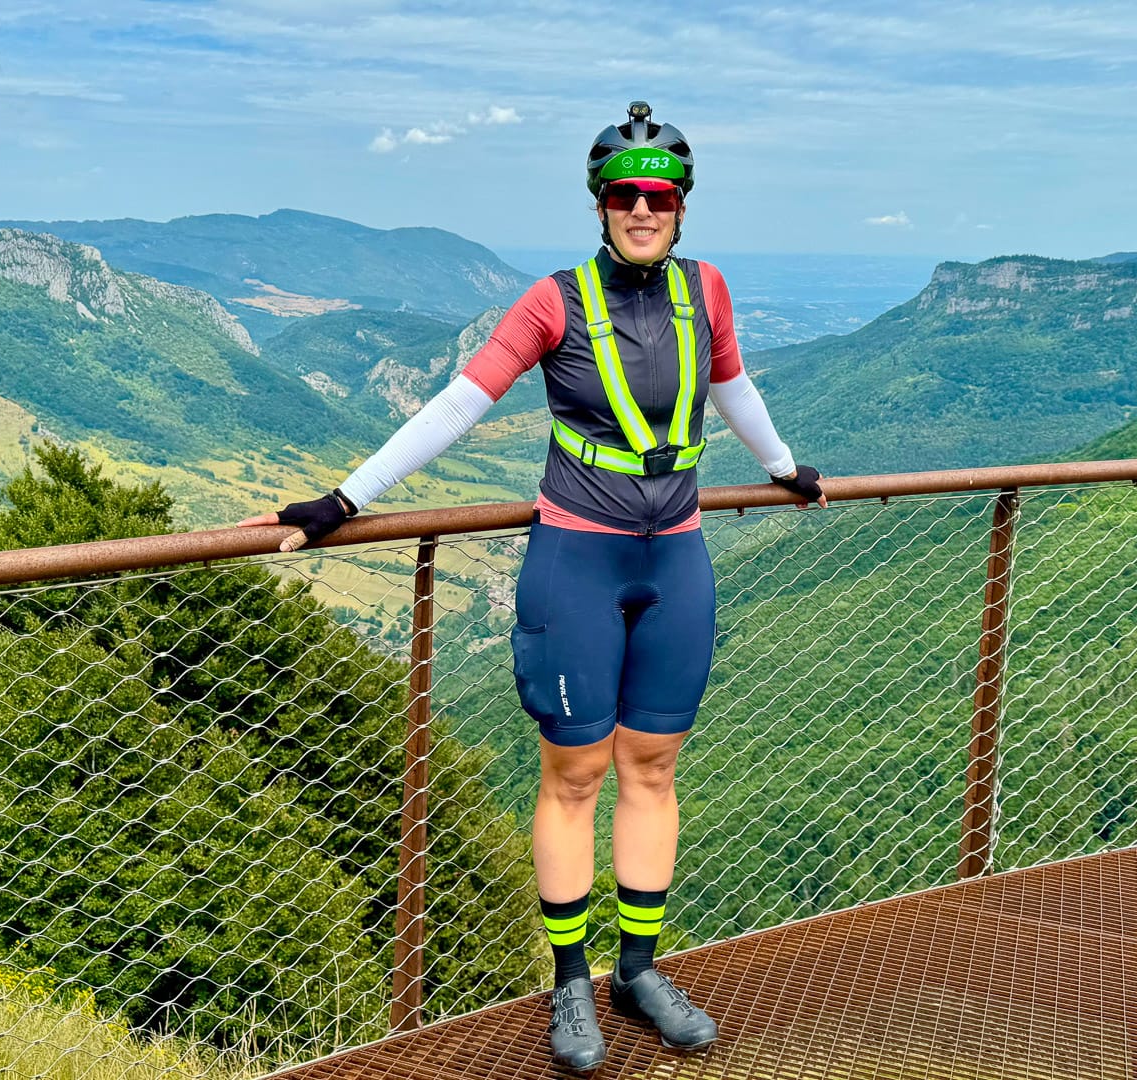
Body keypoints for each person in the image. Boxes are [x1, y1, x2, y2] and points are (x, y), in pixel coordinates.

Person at [238, 101, 825, 1073]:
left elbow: (733, 386)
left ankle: (638, 973)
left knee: (653, 770)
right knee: (576, 775)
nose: (645, 209)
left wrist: (784, 465)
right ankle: (570, 985)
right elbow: (459, 405)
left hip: (675, 557)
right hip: (577, 560)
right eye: (627, 195)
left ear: (682, 208)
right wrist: (344, 500)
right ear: (600, 206)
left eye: (661, 195)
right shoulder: (553, 301)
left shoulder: (707, 291)